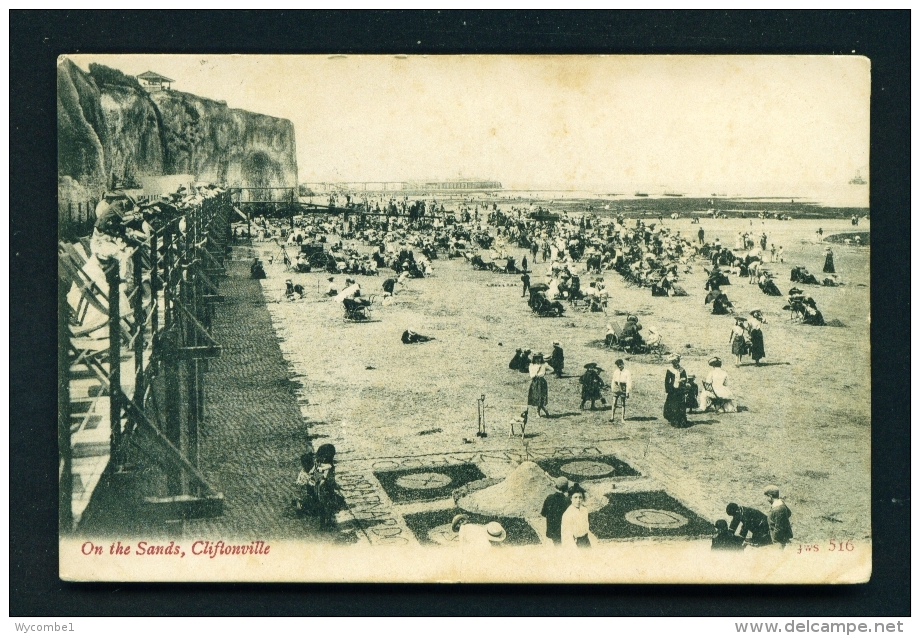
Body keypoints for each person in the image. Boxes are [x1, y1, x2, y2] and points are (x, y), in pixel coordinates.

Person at [560, 483, 597, 548]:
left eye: (580, 497)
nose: (578, 500)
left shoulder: (584, 510)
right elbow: (566, 535)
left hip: (586, 540)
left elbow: (586, 527)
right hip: (576, 543)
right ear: (571, 499)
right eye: (575, 497)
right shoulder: (567, 514)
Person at [540, 476, 571, 545]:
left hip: (552, 530)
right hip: (564, 530)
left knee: (557, 546)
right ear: (566, 488)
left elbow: (543, 513)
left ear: (556, 487)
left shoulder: (549, 498)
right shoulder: (567, 500)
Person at [663, 354, 689, 428]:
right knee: (672, 404)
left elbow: (685, 378)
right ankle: (673, 420)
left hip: (680, 389)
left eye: (677, 361)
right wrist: (668, 389)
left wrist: (683, 381)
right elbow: (667, 380)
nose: (676, 363)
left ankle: (681, 420)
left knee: (680, 404)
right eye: (674, 362)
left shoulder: (682, 369)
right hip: (673, 390)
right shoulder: (670, 369)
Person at [527, 352, 552, 418]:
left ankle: (538, 412)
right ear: (534, 359)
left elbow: (552, 369)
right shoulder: (531, 365)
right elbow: (531, 375)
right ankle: (544, 411)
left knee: (541, 398)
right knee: (537, 397)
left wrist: (545, 373)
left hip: (542, 382)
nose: (538, 360)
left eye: (539, 358)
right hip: (535, 382)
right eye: (536, 358)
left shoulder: (544, 365)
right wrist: (535, 375)